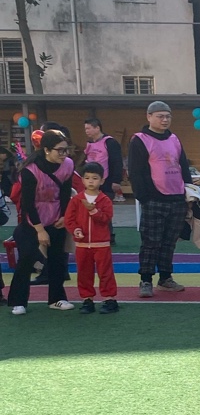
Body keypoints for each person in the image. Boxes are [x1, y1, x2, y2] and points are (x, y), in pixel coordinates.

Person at [127, 100, 193, 297]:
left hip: (176, 198)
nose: (165, 120)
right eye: (160, 116)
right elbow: (135, 172)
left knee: (169, 242)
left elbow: (183, 166)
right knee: (150, 241)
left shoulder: (174, 139)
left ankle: (165, 278)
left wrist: (189, 192)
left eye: (168, 116)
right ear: (149, 117)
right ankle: (145, 280)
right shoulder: (139, 140)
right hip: (154, 199)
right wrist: (144, 197)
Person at [7, 129, 75, 314]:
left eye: (66, 149)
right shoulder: (30, 170)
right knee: (27, 258)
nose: (64, 154)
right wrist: (40, 230)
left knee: (57, 259)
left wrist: (64, 216)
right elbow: (28, 204)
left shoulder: (68, 165)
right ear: (46, 150)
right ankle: (19, 301)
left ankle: (57, 298)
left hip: (56, 218)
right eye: (60, 150)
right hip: (32, 220)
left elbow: (65, 193)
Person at [64, 163, 119, 313]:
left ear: (102, 180)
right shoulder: (76, 199)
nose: (90, 181)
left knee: (105, 272)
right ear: (82, 180)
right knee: (83, 273)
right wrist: (75, 230)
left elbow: (106, 218)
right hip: (82, 244)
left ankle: (109, 299)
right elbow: (69, 219)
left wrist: (94, 211)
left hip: (101, 244)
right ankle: (87, 299)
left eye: (95, 178)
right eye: (87, 178)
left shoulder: (105, 200)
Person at [81, 116, 124, 197]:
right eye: (85, 129)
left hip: (106, 182)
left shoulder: (110, 142)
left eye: (88, 128)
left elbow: (117, 162)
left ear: (97, 128)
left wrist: (116, 180)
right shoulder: (89, 143)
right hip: (90, 181)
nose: (86, 131)